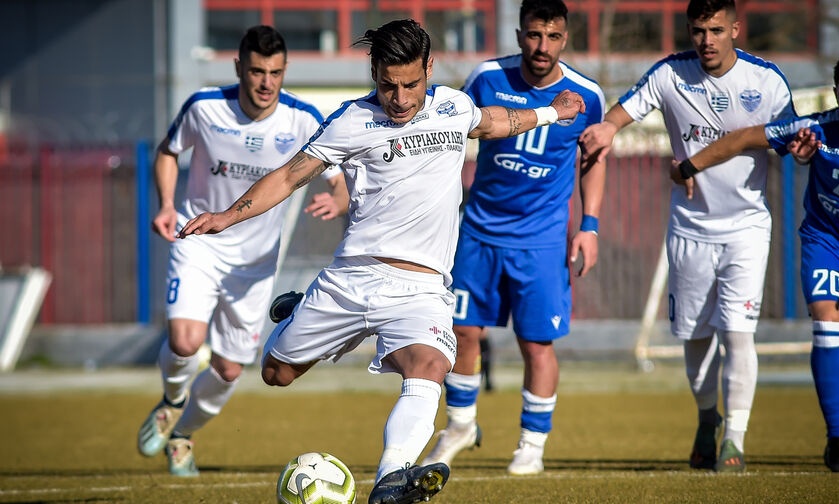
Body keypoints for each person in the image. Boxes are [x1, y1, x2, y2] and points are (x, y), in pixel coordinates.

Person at [177, 18, 585, 503]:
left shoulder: (454, 106)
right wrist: (226, 216)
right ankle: (306, 308)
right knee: (275, 373)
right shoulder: (351, 120)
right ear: (374, 74)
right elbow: (289, 177)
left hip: (422, 289)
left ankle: (391, 480)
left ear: (429, 68)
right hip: (351, 279)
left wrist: (549, 113)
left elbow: (497, 122)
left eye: (411, 84)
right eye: (388, 85)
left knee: (431, 365)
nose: (400, 97)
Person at [579, 0, 796, 472]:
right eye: (698, 31)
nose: (707, 41)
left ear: (735, 28)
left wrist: (701, 161)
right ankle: (706, 419)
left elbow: (787, 141)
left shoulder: (768, 81)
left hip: (747, 228)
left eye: (717, 30)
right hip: (690, 229)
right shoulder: (669, 74)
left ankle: (734, 439)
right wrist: (606, 130)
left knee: (738, 335)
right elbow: (623, 112)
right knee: (695, 338)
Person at [136, 25, 349, 477]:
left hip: (254, 264)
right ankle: (173, 398)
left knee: (230, 370)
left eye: (274, 72)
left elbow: (340, 179)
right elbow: (168, 152)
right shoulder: (204, 106)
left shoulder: (304, 119)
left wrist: (339, 198)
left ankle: (183, 436)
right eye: (256, 71)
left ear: (285, 70)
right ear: (239, 68)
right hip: (199, 242)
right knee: (185, 341)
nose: (266, 82)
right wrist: (168, 205)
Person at [420, 0, 606, 476]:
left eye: (553, 37)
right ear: (520, 33)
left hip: (541, 242)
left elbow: (592, 161)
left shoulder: (588, 95)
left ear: (565, 38)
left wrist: (589, 227)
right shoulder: (486, 78)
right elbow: (449, 135)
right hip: (478, 232)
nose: (541, 47)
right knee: (460, 332)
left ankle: (531, 445)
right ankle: (460, 425)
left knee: (537, 344)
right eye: (533, 35)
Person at [669, 59, 839, 472]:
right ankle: (836, 435)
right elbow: (745, 136)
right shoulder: (816, 129)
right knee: (827, 318)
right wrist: (691, 165)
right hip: (826, 240)